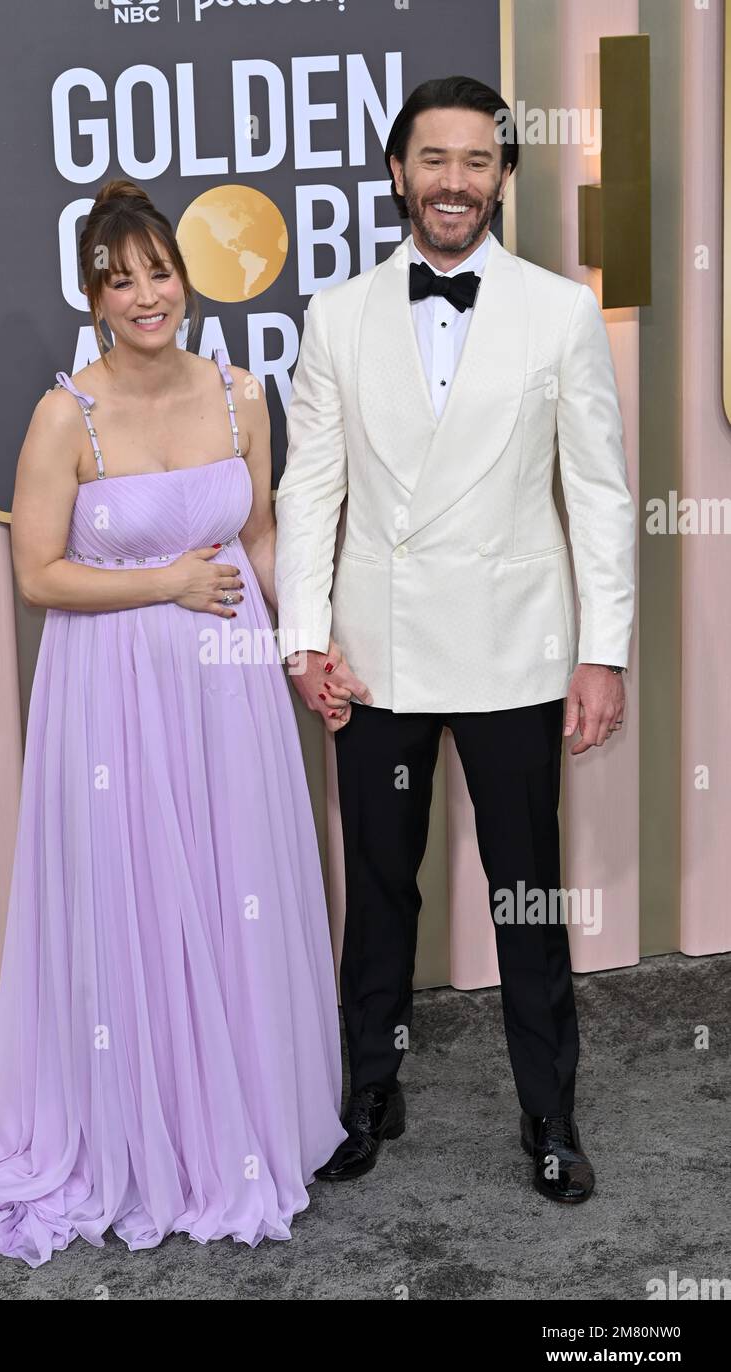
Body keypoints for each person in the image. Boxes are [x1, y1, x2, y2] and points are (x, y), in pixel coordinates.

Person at [0, 180, 346, 1266]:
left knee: (236, 893)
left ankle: (245, 1125)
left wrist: (307, 644)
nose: (146, 295)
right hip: (116, 702)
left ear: (187, 276)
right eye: (119, 280)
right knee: (138, 898)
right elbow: (38, 574)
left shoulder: (242, 395)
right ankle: (140, 1131)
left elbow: (260, 537)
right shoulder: (62, 413)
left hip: (232, 695)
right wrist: (165, 583)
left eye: (159, 271)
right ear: (92, 296)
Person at [274, 76, 636, 1204]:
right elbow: (311, 490)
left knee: (526, 896)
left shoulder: (558, 310)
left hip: (518, 650)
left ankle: (552, 1115)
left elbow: (601, 492)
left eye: (477, 162)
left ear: (503, 177)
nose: (454, 183)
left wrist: (602, 649)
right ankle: (368, 1094)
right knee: (381, 888)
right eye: (433, 160)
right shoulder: (336, 317)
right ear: (397, 173)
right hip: (376, 653)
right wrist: (302, 637)